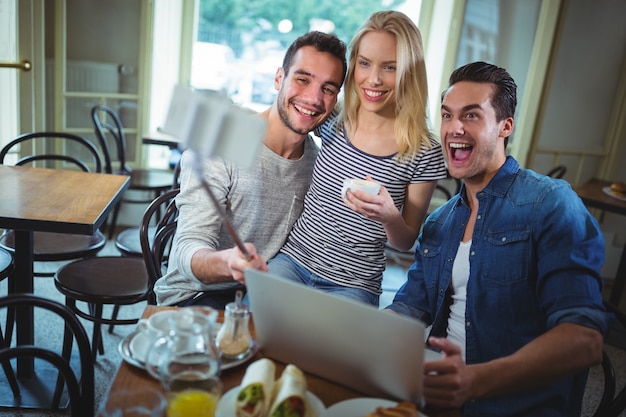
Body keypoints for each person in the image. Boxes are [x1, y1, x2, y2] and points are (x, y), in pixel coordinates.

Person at [386, 61, 610, 416]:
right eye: (447, 115)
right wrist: (356, 334)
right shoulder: (440, 223)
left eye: (471, 116)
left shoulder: (549, 203)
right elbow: (409, 309)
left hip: (515, 405)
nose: (454, 128)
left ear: (505, 126)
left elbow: (584, 339)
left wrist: (474, 380)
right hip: (436, 395)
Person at [153, 31, 347, 309]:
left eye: (328, 89)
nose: (314, 98)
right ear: (278, 78)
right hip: (198, 296)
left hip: (268, 294)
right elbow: (187, 248)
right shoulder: (222, 139)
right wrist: (228, 262)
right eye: (302, 79)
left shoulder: (319, 165)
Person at [268, 10, 447, 306]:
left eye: (390, 67)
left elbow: (405, 241)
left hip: (354, 284)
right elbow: (285, 117)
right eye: (364, 63)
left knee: (329, 353)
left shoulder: (423, 149)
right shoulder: (335, 117)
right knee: (254, 331)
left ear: (409, 72)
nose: (373, 79)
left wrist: (390, 215)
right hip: (293, 263)